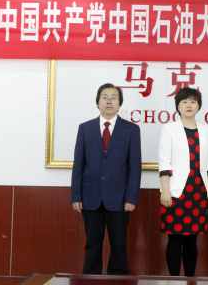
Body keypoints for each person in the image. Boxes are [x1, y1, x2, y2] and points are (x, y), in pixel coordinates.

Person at [70, 83, 142, 275]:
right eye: (105, 97)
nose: (109, 101)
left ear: (120, 103)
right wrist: (76, 196)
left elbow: (135, 167)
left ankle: (118, 278)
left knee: (119, 243)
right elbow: (78, 165)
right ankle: (89, 278)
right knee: (92, 243)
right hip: (90, 195)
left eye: (114, 98)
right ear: (97, 102)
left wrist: (131, 198)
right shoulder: (85, 128)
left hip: (120, 198)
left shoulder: (131, 130)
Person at [158, 87, 208, 276]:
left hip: (198, 190)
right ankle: (174, 279)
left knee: (192, 240)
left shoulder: (206, 130)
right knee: (175, 239)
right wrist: (165, 191)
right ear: (178, 106)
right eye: (184, 102)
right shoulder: (169, 129)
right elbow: (164, 162)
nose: (189, 105)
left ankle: (190, 279)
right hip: (176, 192)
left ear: (199, 105)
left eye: (193, 101)